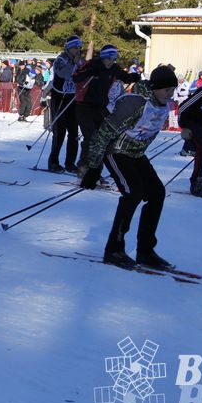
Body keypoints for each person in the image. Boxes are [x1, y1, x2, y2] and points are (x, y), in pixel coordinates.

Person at [80, 66, 179, 270]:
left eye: (172, 90)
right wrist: (93, 169)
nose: (170, 95)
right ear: (154, 88)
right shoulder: (134, 103)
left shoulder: (161, 105)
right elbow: (103, 134)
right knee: (133, 193)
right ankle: (114, 249)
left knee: (157, 193)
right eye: (166, 90)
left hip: (135, 154)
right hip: (115, 151)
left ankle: (145, 250)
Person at [72, 44, 141, 173]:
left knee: (102, 137)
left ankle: (95, 168)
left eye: (114, 59)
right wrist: (89, 72)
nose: (111, 62)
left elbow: (125, 77)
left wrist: (134, 77)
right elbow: (76, 77)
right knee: (92, 136)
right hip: (83, 106)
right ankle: (84, 166)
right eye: (109, 58)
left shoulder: (114, 68)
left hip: (100, 107)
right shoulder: (92, 64)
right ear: (103, 57)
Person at [48, 36, 84, 173]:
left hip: (72, 99)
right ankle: (53, 162)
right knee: (59, 132)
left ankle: (70, 163)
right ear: (68, 48)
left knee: (74, 133)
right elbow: (64, 74)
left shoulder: (79, 61)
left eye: (79, 48)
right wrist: (74, 64)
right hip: (59, 98)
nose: (78, 50)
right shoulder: (60, 60)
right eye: (75, 47)